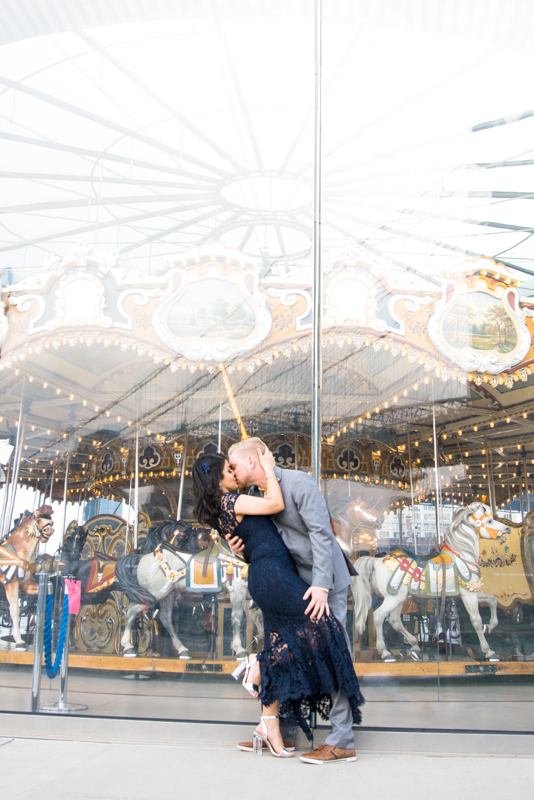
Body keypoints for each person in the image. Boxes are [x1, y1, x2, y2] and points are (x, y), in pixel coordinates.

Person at [192, 446, 363, 764]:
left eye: (234, 466)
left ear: (252, 461)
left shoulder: (298, 483)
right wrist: (238, 544)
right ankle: (278, 727)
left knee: (331, 647)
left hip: (324, 581)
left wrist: (322, 586)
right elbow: (261, 538)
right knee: (289, 648)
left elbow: (322, 535)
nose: (233, 473)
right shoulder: (252, 493)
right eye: (227, 469)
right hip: (288, 579)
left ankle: (341, 739)